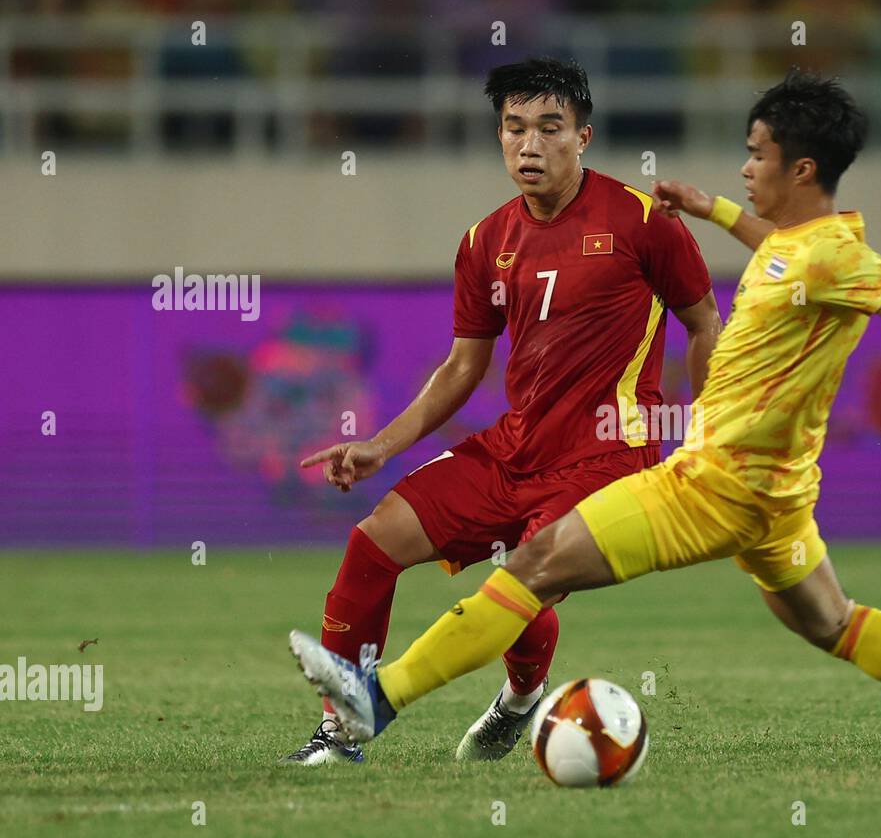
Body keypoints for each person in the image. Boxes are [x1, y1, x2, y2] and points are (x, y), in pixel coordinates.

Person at [290, 70, 881, 764]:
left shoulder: (835, 257)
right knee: (834, 620)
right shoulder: (795, 242)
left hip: (714, 482)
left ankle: (379, 699)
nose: (746, 167)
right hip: (778, 495)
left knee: (539, 563)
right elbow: (778, 251)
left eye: (756, 155)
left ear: (800, 169)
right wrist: (716, 210)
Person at [282, 57, 720, 764]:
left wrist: (707, 429)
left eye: (550, 128)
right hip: (516, 447)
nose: (530, 144)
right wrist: (380, 446)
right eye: (514, 128)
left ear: (583, 137)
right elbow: (463, 365)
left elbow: (704, 322)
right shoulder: (486, 241)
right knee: (375, 540)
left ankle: (498, 697)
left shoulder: (642, 222)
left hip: (608, 454)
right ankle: (341, 730)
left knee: (518, 578)